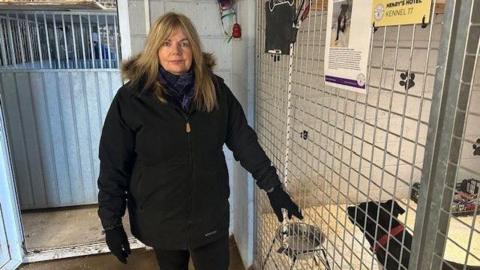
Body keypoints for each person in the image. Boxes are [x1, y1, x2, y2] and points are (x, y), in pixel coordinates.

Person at [97, 12, 303, 270]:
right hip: (162, 219)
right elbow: (113, 163)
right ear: (155, 49)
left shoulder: (216, 92)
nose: (176, 51)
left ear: (193, 47)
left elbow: (244, 141)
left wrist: (274, 188)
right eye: (167, 43)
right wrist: (111, 222)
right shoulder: (132, 99)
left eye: (184, 43)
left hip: (209, 217)